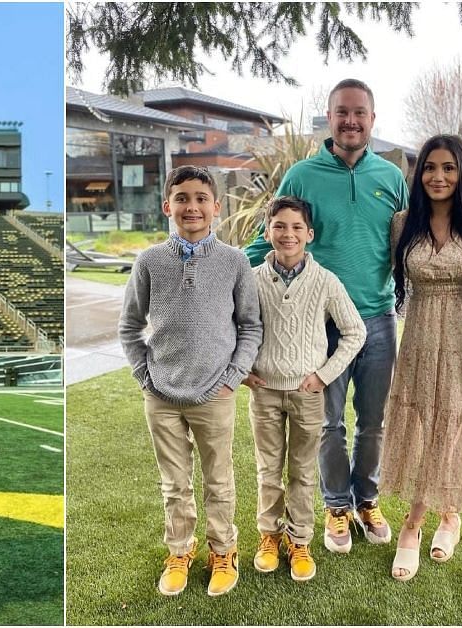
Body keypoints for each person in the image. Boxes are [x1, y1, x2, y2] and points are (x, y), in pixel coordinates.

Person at [244, 78, 407, 553]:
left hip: (376, 319)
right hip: (318, 325)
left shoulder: (390, 178)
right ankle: (337, 505)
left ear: (372, 119)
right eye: (342, 112)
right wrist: (225, 276)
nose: (351, 120)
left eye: (360, 112)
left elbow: (406, 244)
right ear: (329, 117)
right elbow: (269, 237)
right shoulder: (301, 175)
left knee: (373, 421)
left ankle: (366, 499)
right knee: (328, 423)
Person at [119, 165, 263, 597]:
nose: (192, 206)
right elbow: (129, 327)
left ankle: (224, 550)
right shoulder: (149, 261)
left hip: (214, 392)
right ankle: (179, 551)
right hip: (161, 394)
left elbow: (250, 326)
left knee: (218, 480)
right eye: (182, 198)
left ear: (216, 207)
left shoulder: (236, 262)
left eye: (201, 198)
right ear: (168, 206)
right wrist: (145, 376)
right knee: (174, 483)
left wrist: (233, 377)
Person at [380, 135, 462, 581]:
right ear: (419, 172)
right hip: (419, 336)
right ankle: (414, 523)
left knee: (455, 419)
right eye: (430, 167)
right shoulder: (402, 223)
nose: (438, 176)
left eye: (449, 167)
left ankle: (447, 517)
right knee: (422, 421)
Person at [246, 196, 365, 582]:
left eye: (297, 227)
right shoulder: (251, 279)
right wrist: (244, 369)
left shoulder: (325, 281)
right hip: (264, 391)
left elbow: (355, 332)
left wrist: (324, 375)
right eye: (280, 226)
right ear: (268, 232)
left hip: (307, 393)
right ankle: (269, 536)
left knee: (301, 472)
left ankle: (299, 541)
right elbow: (235, 328)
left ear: (309, 235)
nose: (288, 234)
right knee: (268, 469)